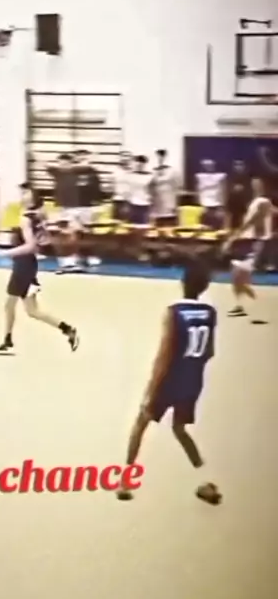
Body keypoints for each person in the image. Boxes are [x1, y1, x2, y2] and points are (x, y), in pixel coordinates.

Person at [118, 257, 221, 505]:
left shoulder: (174, 312)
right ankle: (206, 478)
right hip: (193, 379)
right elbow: (209, 352)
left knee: (141, 423)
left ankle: (125, 481)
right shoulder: (210, 313)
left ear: (182, 282)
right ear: (205, 286)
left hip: (170, 379)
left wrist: (150, 388)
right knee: (180, 428)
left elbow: (164, 355)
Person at [0, 183, 79, 355]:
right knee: (32, 310)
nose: (22, 196)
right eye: (22, 193)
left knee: (10, 304)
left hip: (23, 265)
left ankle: (8, 341)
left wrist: (6, 253)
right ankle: (68, 329)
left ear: (32, 197)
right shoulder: (36, 217)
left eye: (26, 193)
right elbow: (44, 240)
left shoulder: (26, 219)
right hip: (28, 265)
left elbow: (31, 246)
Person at [222, 177, 275, 322]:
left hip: (256, 242)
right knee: (237, 276)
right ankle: (241, 306)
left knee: (240, 276)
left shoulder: (263, 201)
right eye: (253, 184)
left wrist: (235, 236)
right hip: (249, 241)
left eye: (258, 184)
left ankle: (260, 307)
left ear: (263, 187)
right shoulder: (257, 202)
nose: (255, 187)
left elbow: (256, 220)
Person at [151, 149, 179, 226]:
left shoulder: (172, 170)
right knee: (158, 222)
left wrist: (175, 203)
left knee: (169, 221)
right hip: (158, 201)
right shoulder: (153, 171)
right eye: (158, 156)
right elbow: (151, 186)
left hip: (169, 199)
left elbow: (176, 186)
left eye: (162, 156)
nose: (160, 159)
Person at [195, 159, 226, 229]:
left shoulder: (221, 176)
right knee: (204, 222)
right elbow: (197, 189)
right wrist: (198, 201)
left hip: (217, 202)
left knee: (218, 221)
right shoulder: (199, 176)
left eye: (210, 165)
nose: (208, 167)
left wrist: (223, 203)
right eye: (206, 165)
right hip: (204, 202)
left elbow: (224, 189)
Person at [224, 159, 251, 232]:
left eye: (240, 165)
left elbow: (250, 189)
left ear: (244, 166)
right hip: (232, 200)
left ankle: (243, 232)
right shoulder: (229, 177)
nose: (238, 167)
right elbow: (226, 189)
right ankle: (227, 231)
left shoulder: (248, 177)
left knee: (244, 216)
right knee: (229, 217)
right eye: (236, 165)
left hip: (244, 201)